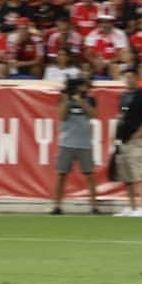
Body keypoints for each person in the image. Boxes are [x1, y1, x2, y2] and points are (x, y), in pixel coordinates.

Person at [113, 65, 142, 217]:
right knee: (127, 175)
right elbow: (121, 117)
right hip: (124, 139)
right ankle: (131, 206)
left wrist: (141, 131)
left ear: (137, 79)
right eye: (127, 77)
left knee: (140, 173)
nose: (129, 80)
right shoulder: (123, 96)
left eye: (131, 77)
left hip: (138, 140)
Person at [52, 75, 100, 214]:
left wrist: (81, 101)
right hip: (67, 143)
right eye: (81, 86)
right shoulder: (64, 99)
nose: (84, 88)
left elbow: (92, 114)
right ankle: (57, 206)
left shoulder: (90, 99)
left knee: (89, 175)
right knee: (61, 175)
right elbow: (61, 116)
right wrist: (67, 100)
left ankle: (94, 206)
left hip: (84, 144)